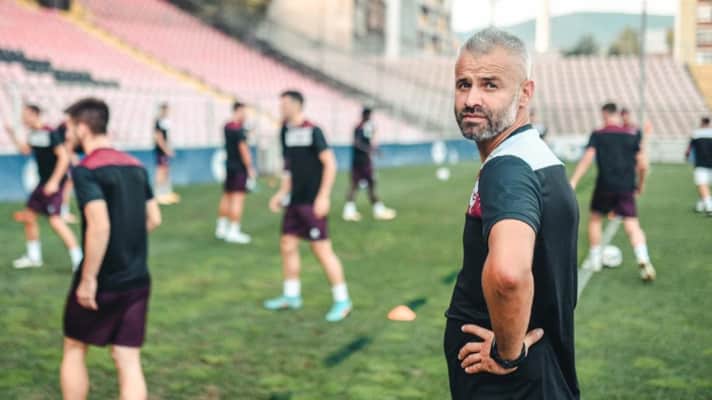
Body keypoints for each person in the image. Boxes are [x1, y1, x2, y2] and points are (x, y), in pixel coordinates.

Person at [444, 28, 580, 399]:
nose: (471, 99)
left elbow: (508, 274)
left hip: (507, 382)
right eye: (463, 84)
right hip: (536, 373)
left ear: (525, 93)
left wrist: (507, 353)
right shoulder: (537, 157)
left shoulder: (508, 167)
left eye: (490, 85)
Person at [60, 98, 162, 400]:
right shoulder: (136, 166)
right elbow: (154, 218)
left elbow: (100, 225)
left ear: (82, 128)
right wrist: (125, 239)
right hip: (137, 279)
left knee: (74, 346)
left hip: (103, 280)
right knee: (128, 359)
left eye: (69, 129)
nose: (67, 135)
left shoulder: (86, 170)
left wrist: (88, 279)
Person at [265, 90, 352, 322]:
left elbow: (330, 164)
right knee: (287, 244)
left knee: (321, 249)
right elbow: (288, 167)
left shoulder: (313, 130)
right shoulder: (285, 130)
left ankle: (343, 301)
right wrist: (282, 193)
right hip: (294, 201)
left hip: (312, 202)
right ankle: (291, 296)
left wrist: (323, 197)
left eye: (284, 104)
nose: (281, 108)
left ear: (297, 105)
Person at [570, 103, 656, 281]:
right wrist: (640, 184)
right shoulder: (633, 133)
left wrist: (574, 181)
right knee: (632, 224)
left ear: (604, 115)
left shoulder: (598, 134)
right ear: (618, 114)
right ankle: (643, 258)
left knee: (595, 219)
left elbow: (587, 158)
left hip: (605, 185)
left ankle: (595, 260)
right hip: (626, 186)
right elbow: (642, 164)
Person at [4, 104, 82, 270]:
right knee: (29, 217)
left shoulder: (49, 133)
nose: (22, 118)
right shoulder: (33, 134)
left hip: (55, 183)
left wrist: (54, 181)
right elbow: (25, 151)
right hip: (43, 182)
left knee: (55, 221)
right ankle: (34, 257)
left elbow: (64, 158)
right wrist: (12, 135)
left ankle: (78, 260)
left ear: (34, 114)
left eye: (25, 114)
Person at [342, 107, 396, 222]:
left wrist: (374, 149)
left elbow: (367, 142)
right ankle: (377, 210)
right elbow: (357, 143)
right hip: (361, 162)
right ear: (365, 115)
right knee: (365, 184)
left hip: (362, 161)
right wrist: (370, 150)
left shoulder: (367, 128)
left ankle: (351, 211)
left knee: (360, 185)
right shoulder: (359, 128)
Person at [215, 101, 255, 244]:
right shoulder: (239, 130)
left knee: (227, 196)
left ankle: (221, 228)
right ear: (238, 111)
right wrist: (250, 168)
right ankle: (233, 231)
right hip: (239, 168)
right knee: (237, 198)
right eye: (244, 112)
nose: (246, 115)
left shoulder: (227, 126)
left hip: (229, 166)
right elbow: (243, 150)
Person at [153, 103, 179, 205]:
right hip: (161, 150)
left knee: (165, 170)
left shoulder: (165, 122)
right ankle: (158, 194)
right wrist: (166, 149)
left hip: (164, 149)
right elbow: (158, 138)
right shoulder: (158, 121)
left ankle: (165, 193)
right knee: (161, 170)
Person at [686, 116, 712, 213]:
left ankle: (709, 206)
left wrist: (687, 158)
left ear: (701, 123)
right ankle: (700, 205)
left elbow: (688, 150)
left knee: (702, 184)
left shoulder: (696, 134)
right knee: (704, 184)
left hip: (701, 163)